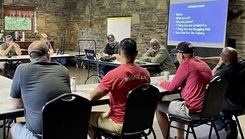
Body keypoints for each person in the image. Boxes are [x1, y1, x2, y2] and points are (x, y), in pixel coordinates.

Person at [88, 38, 151, 138]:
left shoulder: (113, 75)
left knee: (85, 116)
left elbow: (92, 97)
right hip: (141, 123)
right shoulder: (146, 74)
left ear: (119, 52)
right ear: (136, 53)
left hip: (120, 124)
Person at [10, 41, 71, 139]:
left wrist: (31, 99)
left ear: (30, 57)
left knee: (14, 128)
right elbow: (66, 98)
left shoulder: (22, 70)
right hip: (65, 131)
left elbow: (16, 104)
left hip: (40, 135)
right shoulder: (63, 70)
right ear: (48, 55)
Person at [156, 41, 212, 139]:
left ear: (181, 55)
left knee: (159, 107)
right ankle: (180, 137)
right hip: (208, 109)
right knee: (177, 101)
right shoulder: (203, 64)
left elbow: (172, 87)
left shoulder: (186, 65)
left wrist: (161, 82)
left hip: (194, 110)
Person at [198, 47, 244, 139]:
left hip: (234, 104)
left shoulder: (224, 74)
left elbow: (209, 80)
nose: (219, 56)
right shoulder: (242, 63)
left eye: (221, 54)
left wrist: (218, 65)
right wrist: (202, 59)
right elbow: (221, 59)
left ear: (224, 59)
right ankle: (228, 120)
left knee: (208, 103)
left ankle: (227, 123)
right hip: (243, 101)